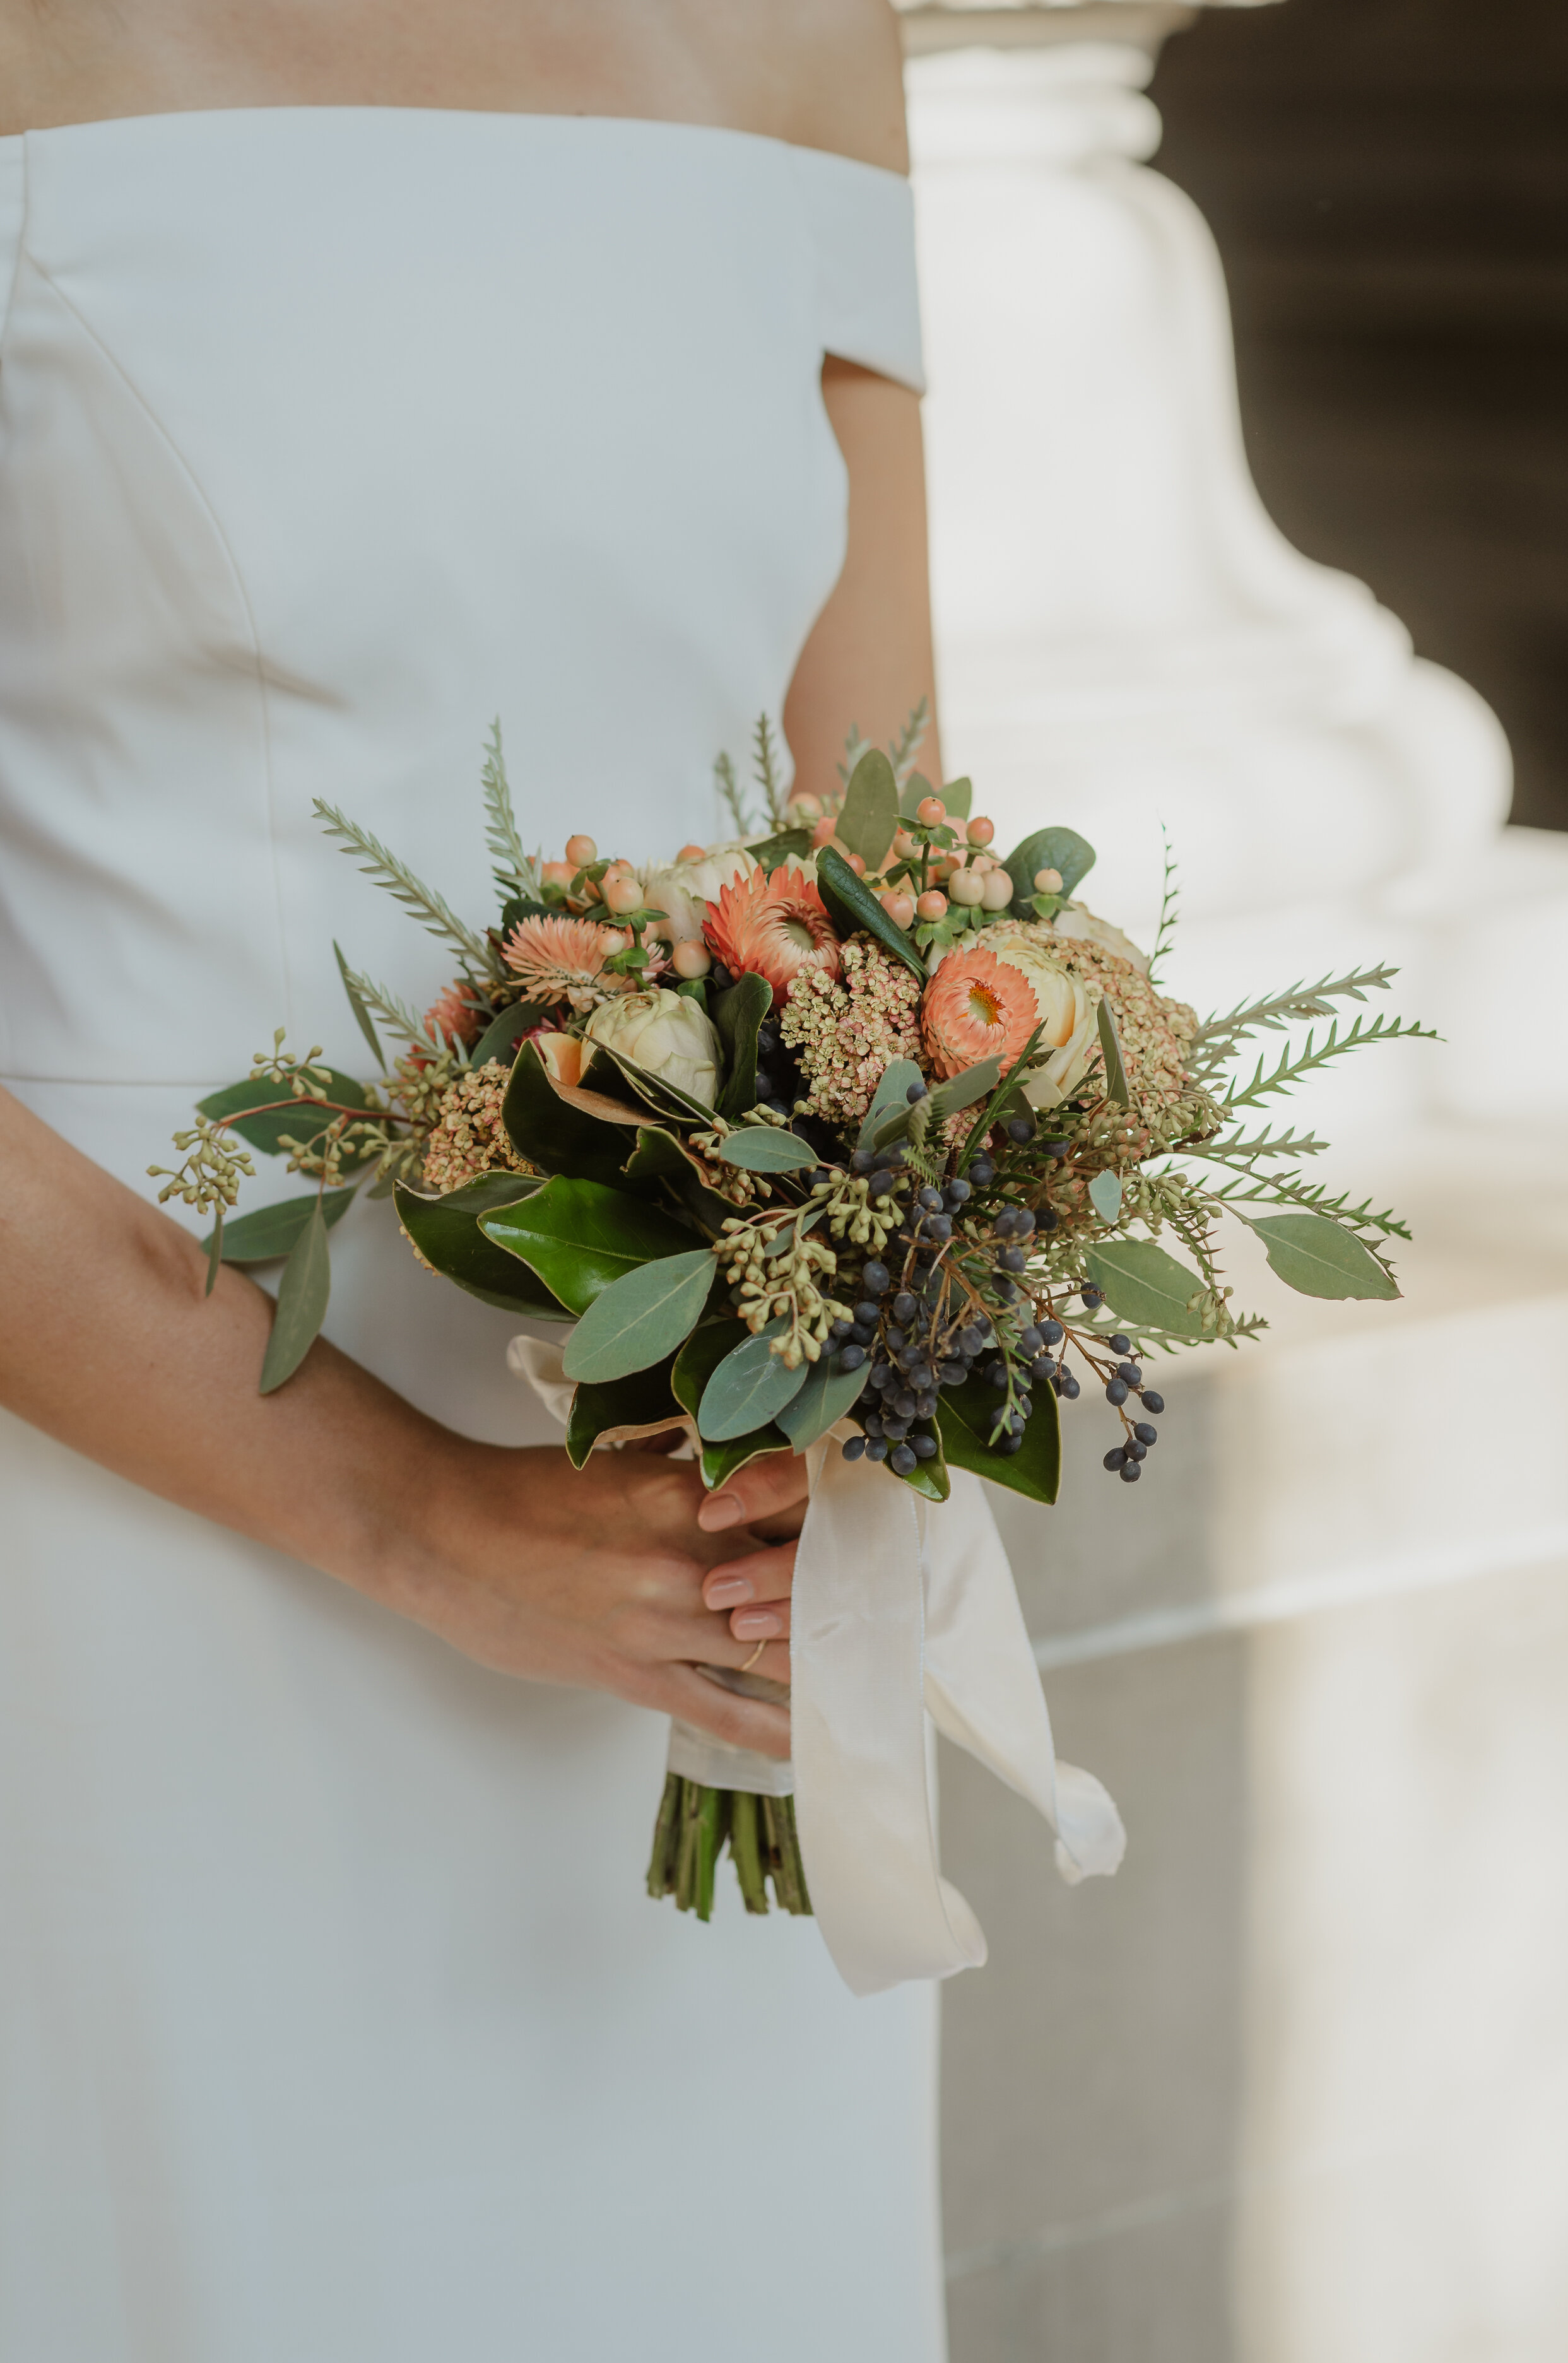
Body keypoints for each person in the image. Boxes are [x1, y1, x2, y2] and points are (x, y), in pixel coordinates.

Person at [0, 2, 946, 2356]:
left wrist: (887, 1324)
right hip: (137, 1514)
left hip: (716, 1553)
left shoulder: (811, 40)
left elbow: (886, 848)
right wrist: (412, 1515)